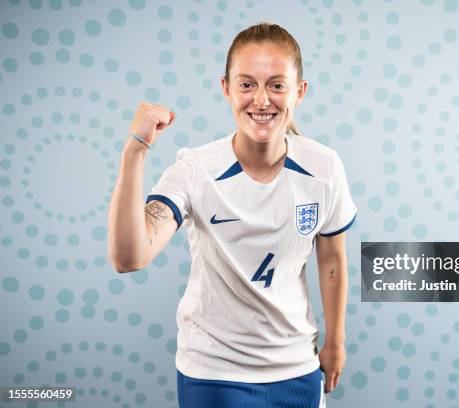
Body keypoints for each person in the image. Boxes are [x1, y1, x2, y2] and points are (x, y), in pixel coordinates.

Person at [107, 22, 357, 407]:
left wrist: (335, 342)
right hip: (215, 374)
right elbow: (129, 256)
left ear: (300, 92)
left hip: (298, 370)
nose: (261, 100)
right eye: (246, 84)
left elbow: (332, 257)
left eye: (277, 85)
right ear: (225, 88)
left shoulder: (324, 166)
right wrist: (135, 150)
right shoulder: (194, 169)